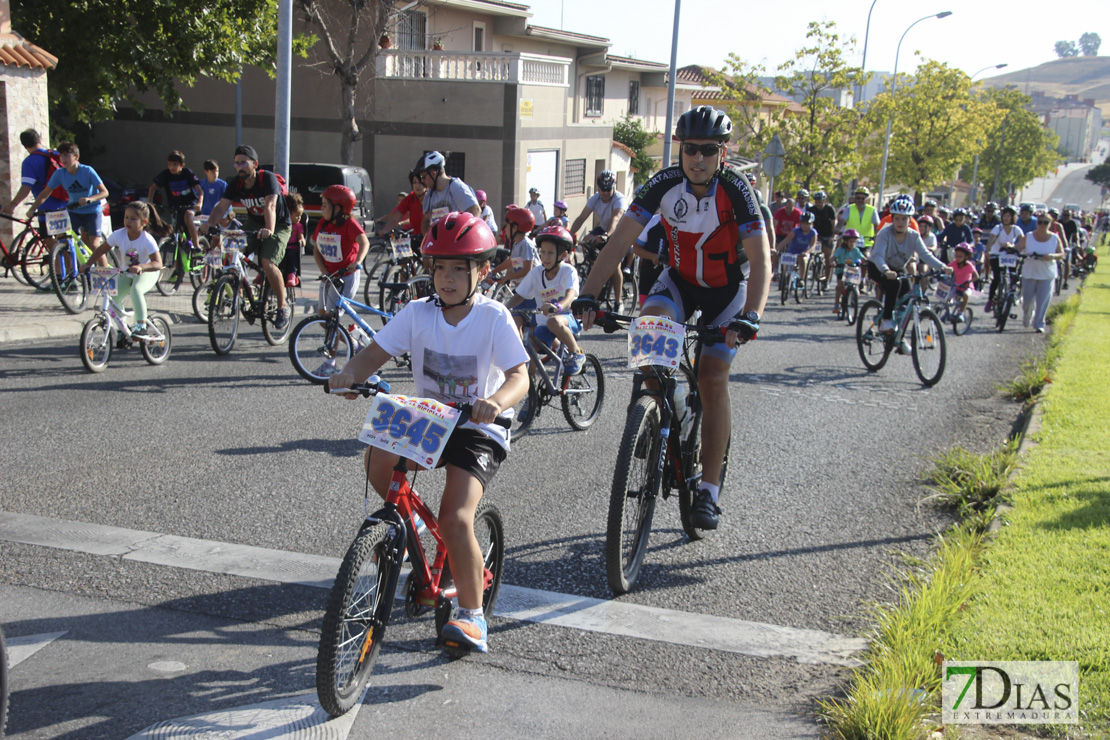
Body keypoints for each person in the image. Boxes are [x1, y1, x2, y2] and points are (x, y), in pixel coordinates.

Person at [327, 211, 528, 655]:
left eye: (460, 268)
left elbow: (520, 376)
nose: (448, 278)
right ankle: (411, 526)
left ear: (481, 271)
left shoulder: (494, 317)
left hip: (479, 426)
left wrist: (496, 401)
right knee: (377, 457)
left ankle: (473, 617)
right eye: (439, 267)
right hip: (431, 418)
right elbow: (372, 355)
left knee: (457, 517)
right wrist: (349, 375)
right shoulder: (418, 313)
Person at [574, 105, 769, 530]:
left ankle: (709, 492)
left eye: (708, 150)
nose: (698, 158)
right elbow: (618, 242)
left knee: (713, 375)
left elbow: (760, 256)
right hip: (678, 282)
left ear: (722, 153)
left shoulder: (736, 189)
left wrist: (751, 316)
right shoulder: (663, 184)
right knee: (649, 339)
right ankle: (662, 406)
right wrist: (588, 294)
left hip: (726, 292)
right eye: (690, 149)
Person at [204, 144, 294, 329]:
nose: (239, 167)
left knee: (267, 263)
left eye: (244, 163)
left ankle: (282, 307)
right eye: (237, 163)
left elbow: (270, 205)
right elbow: (221, 207)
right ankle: (242, 290)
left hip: (278, 225)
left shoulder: (266, 178)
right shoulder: (235, 182)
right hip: (253, 224)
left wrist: (269, 229)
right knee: (231, 254)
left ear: (255, 164)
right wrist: (210, 223)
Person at [503, 224, 586, 374]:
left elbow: (570, 295)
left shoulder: (568, 271)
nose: (545, 257)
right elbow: (520, 295)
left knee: (554, 321)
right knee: (529, 348)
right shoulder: (536, 273)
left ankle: (577, 353)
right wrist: (503, 308)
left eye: (550, 253)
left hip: (568, 318)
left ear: (563, 255)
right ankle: (532, 389)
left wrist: (558, 307)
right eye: (542, 252)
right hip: (546, 324)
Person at [79, 201, 167, 337]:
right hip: (126, 273)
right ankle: (123, 328)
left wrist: (140, 267)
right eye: (126, 217)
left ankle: (141, 325)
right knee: (114, 297)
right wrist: (88, 265)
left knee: (136, 290)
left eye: (133, 218)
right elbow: (101, 249)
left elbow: (158, 264)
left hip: (148, 272)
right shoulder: (118, 235)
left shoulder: (147, 239)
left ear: (143, 222)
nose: (128, 221)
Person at [868, 195, 952, 332]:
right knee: (894, 284)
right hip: (878, 267)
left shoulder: (914, 236)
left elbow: (925, 255)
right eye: (897, 218)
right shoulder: (885, 233)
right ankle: (886, 320)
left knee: (907, 301)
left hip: (897, 268)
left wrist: (942, 267)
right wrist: (885, 270)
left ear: (910, 220)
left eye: (904, 218)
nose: (900, 222)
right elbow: (877, 256)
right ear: (892, 219)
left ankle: (899, 337)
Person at [312, 185, 371, 374]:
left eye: (324, 205)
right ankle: (355, 341)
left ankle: (330, 364)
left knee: (331, 320)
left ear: (338, 207)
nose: (321, 209)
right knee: (324, 319)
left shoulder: (349, 224)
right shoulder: (323, 223)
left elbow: (364, 242)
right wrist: (324, 272)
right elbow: (316, 249)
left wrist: (358, 262)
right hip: (329, 276)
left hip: (346, 276)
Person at [28, 141, 110, 259]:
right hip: (74, 211)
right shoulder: (59, 173)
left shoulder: (87, 170)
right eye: (61, 155)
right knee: (64, 242)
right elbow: (45, 193)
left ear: (76, 157)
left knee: (94, 245)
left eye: (67, 155)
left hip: (92, 211)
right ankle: (70, 273)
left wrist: (89, 199)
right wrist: (32, 208)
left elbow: (105, 192)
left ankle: (104, 276)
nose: (63, 158)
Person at [568, 170, 630, 301]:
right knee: (586, 240)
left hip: (618, 231)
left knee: (615, 266)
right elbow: (581, 218)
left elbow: (615, 218)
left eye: (608, 190)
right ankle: (594, 267)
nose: (605, 193)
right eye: (602, 189)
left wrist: (606, 235)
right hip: (602, 229)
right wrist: (569, 235)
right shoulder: (595, 198)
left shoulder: (619, 199)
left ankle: (618, 301)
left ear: (613, 187)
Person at [3, 129, 68, 248]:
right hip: (66, 203)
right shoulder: (56, 155)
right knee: (64, 240)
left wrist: (13, 205)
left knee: (49, 240)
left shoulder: (30, 162)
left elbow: (26, 188)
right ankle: (71, 265)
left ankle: (59, 266)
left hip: (47, 207)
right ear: (40, 139)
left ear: (25, 146)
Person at [147, 150, 204, 251]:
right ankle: (178, 264)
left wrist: (199, 203)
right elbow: (152, 187)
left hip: (190, 204)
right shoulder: (166, 174)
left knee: (188, 217)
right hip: (175, 207)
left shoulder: (187, 173)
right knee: (178, 233)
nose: (172, 167)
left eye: (175, 165)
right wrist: (150, 201)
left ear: (182, 165)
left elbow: (200, 191)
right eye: (169, 164)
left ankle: (197, 245)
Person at [1017, 213, 1063, 333]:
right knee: (1027, 300)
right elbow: (1017, 248)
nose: (1042, 225)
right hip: (1030, 272)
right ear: (1036, 223)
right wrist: (1011, 248)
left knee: (1042, 302)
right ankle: (1027, 315)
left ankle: (1039, 323)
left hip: (1047, 274)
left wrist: (1052, 256)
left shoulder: (1054, 238)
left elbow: (1062, 254)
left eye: (1045, 222)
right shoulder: (1029, 236)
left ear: (1050, 224)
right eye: (1040, 222)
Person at [417, 151, 480, 235]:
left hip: (456, 244)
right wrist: (427, 238)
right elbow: (426, 220)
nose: (422, 180)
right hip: (439, 245)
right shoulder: (429, 195)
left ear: (433, 173)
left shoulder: (456, 187)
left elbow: (475, 210)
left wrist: (462, 235)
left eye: (423, 176)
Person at [378, 170, 427, 254]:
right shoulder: (409, 198)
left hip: (429, 238)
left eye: (420, 182)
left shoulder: (432, 196)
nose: (417, 185)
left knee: (427, 262)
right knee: (401, 255)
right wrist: (385, 230)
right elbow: (396, 216)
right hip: (415, 236)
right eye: (414, 182)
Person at [984, 205, 1023, 311]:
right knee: (996, 278)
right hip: (997, 255)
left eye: (1008, 216)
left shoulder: (1016, 229)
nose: (1006, 218)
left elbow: (1022, 241)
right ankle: (990, 300)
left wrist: (1020, 250)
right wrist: (987, 251)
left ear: (1013, 217)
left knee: (1013, 276)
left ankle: (1012, 295)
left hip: (1011, 255)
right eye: (1004, 216)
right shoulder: (998, 227)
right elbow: (991, 239)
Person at [491, 206, 538, 287]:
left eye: (507, 226)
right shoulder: (517, 244)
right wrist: (493, 271)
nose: (505, 230)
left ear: (515, 228)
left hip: (533, 289)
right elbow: (510, 262)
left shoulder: (526, 245)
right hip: (524, 287)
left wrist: (507, 277)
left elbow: (527, 270)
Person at [632, 213, 666, 307]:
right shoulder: (653, 221)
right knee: (646, 315)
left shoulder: (685, 222)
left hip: (675, 275)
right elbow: (636, 248)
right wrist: (652, 256)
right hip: (650, 273)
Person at [832, 229, 865, 314]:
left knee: (856, 287)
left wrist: (868, 262)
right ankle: (836, 303)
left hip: (852, 271)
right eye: (851, 241)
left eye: (854, 242)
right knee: (840, 286)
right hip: (841, 270)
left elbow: (863, 258)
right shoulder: (840, 250)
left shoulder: (856, 250)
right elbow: (833, 257)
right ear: (846, 241)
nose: (852, 244)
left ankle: (853, 297)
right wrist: (832, 261)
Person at [810, 190, 838, 285]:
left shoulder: (829, 209)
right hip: (816, 235)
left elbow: (834, 224)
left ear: (824, 201)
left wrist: (832, 236)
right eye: (816, 201)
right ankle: (813, 270)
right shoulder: (812, 209)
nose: (818, 203)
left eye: (820, 201)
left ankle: (827, 279)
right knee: (811, 254)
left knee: (827, 257)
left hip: (827, 235)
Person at [946, 243, 979, 322]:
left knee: (966, 295)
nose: (957, 258)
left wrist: (969, 281)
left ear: (967, 257)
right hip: (957, 285)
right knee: (947, 296)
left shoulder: (969, 265)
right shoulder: (954, 263)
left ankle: (961, 312)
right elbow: (946, 268)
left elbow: (976, 276)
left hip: (967, 286)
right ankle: (948, 313)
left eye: (960, 256)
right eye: (956, 256)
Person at [782, 211, 817, 282]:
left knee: (803, 260)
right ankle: (786, 279)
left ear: (811, 224)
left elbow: (813, 245)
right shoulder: (795, 231)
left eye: (807, 224)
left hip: (803, 252)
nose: (805, 225)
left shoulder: (813, 233)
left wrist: (807, 252)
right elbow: (785, 241)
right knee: (787, 264)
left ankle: (801, 279)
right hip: (792, 251)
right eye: (803, 223)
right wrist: (777, 249)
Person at [280, 192, 305, 286]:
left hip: (292, 249)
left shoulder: (298, 226)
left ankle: (292, 276)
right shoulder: (283, 224)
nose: (299, 218)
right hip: (282, 247)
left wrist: (301, 241)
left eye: (300, 216)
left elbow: (301, 237)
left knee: (292, 259)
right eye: (297, 215)